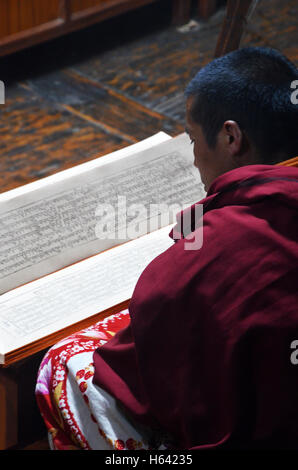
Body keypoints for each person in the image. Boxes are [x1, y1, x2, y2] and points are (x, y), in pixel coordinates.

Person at [36, 46, 298, 450]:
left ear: (231, 137)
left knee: (65, 361)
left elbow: (135, 372)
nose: (194, 160)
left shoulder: (209, 256)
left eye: (194, 140)